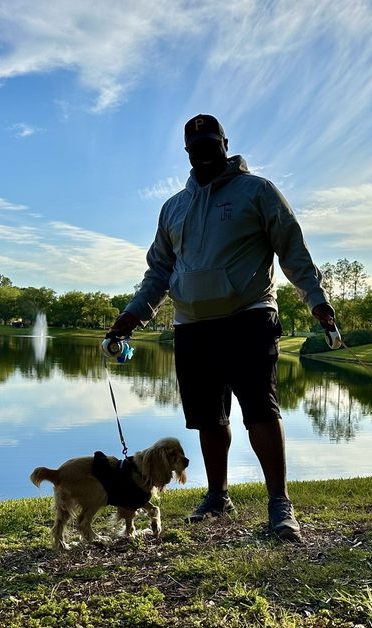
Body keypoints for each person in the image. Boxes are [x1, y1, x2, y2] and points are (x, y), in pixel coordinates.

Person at [108, 114, 335, 542]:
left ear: (225, 145)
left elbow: (291, 248)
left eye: (212, 145)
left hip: (249, 313)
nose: (204, 153)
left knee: (261, 410)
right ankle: (217, 495)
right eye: (196, 148)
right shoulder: (173, 207)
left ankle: (279, 505)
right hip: (192, 324)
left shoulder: (257, 191)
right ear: (187, 153)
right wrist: (133, 314)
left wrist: (316, 299)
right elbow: (158, 271)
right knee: (208, 419)